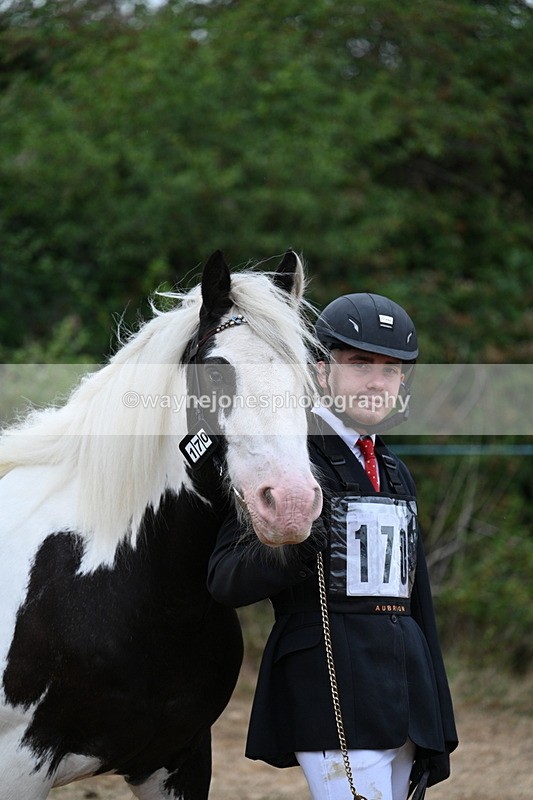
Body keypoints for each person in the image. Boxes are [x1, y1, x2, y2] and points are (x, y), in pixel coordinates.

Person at [207, 292, 458, 800]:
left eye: (392, 370)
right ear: (321, 370)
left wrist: (438, 728)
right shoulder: (292, 461)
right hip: (331, 693)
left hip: (405, 702)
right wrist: (299, 540)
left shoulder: (393, 470)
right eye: (360, 363)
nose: (376, 381)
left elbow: (419, 606)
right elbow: (224, 578)